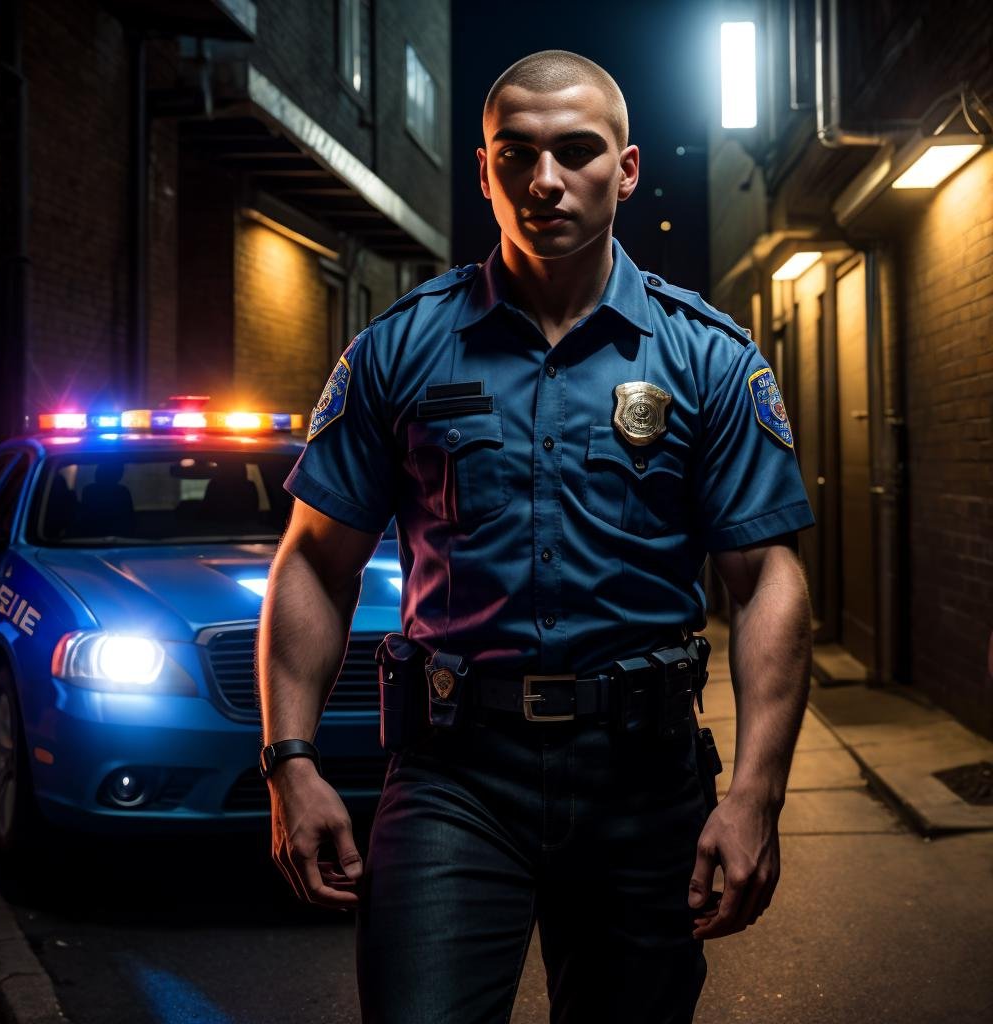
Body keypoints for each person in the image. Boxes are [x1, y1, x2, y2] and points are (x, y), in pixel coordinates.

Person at [257, 49, 814, 1024]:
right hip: (452, 776)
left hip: (644, 781)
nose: (544, 181)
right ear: (483, 170)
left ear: (627, 169)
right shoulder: (399, 350)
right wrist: (289, 759)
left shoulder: (708, 360)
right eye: (515, 154)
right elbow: (314, 559)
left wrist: (757, 792)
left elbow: (764, 575)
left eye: (576, 151)